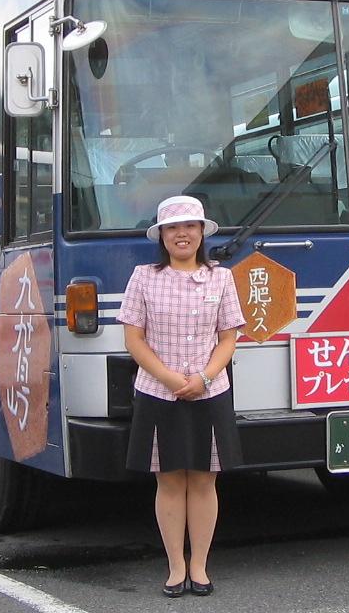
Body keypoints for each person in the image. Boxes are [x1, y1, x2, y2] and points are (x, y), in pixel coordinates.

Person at [117, 195, 246, 597]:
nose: (182, 234)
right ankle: (175, 567)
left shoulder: (221, 278)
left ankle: (200, 567)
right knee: (169, 482)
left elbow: (229, 339)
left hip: (211, 392)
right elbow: (134, 340)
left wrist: (205, 378)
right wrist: (172, 379)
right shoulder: (143, 277)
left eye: (190, 226)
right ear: (163, 236)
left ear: (202, 232)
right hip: (158, 392)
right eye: (173, 228)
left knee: (205, 482)